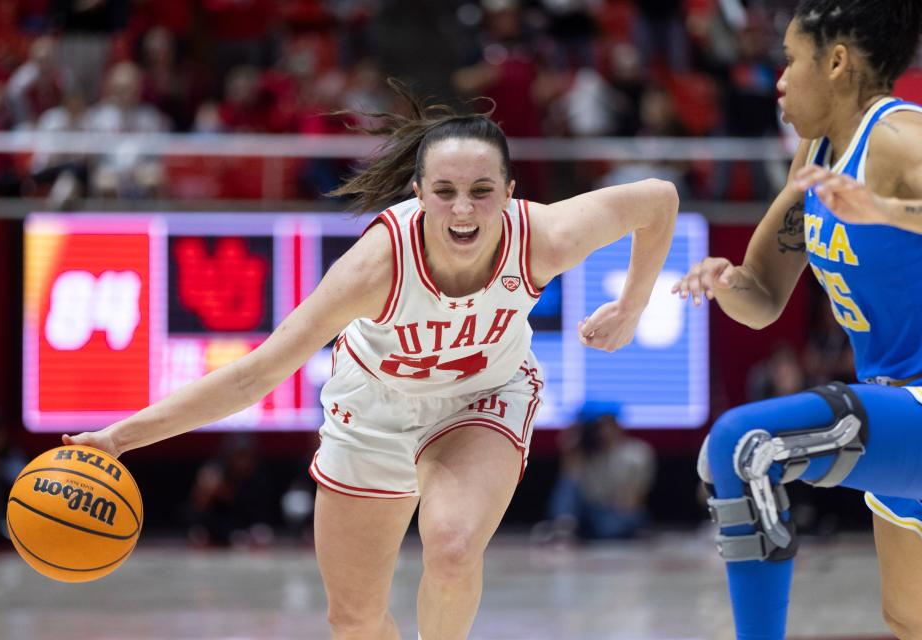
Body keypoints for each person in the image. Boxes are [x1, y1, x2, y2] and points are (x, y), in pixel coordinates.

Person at [63, 81, 679, 639]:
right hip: (374, 412)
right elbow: (255, 374)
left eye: (481, 191)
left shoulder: (542, 235)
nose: (463, 210)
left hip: (482, 397)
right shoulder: (374, 267)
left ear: (510, 193)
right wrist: (120, 437)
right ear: (418, 193)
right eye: (445, 192)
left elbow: (658, 198)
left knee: (452, 545)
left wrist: (632, 304)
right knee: (353, 619)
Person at [672, 3, 922, 638]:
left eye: (789, 59)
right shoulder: (816, 154)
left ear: (836, 62)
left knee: (746, 447)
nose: (777, 77)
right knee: (908, 621)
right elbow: (762, 296)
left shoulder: (897, 138)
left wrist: (888, 211)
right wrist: (727, 283)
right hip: (893, 403)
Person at [543, 402, 656, 541]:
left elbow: (633, 500)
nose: (601, 431)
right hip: (591, 510)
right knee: (569, 486)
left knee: (610, 526)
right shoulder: (586, 453)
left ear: (616, 425)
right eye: (596, 427)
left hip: (618, 511)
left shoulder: (637, 452)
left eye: (604, 425)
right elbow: (570, 482)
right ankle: (563, 529)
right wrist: (573, 445)